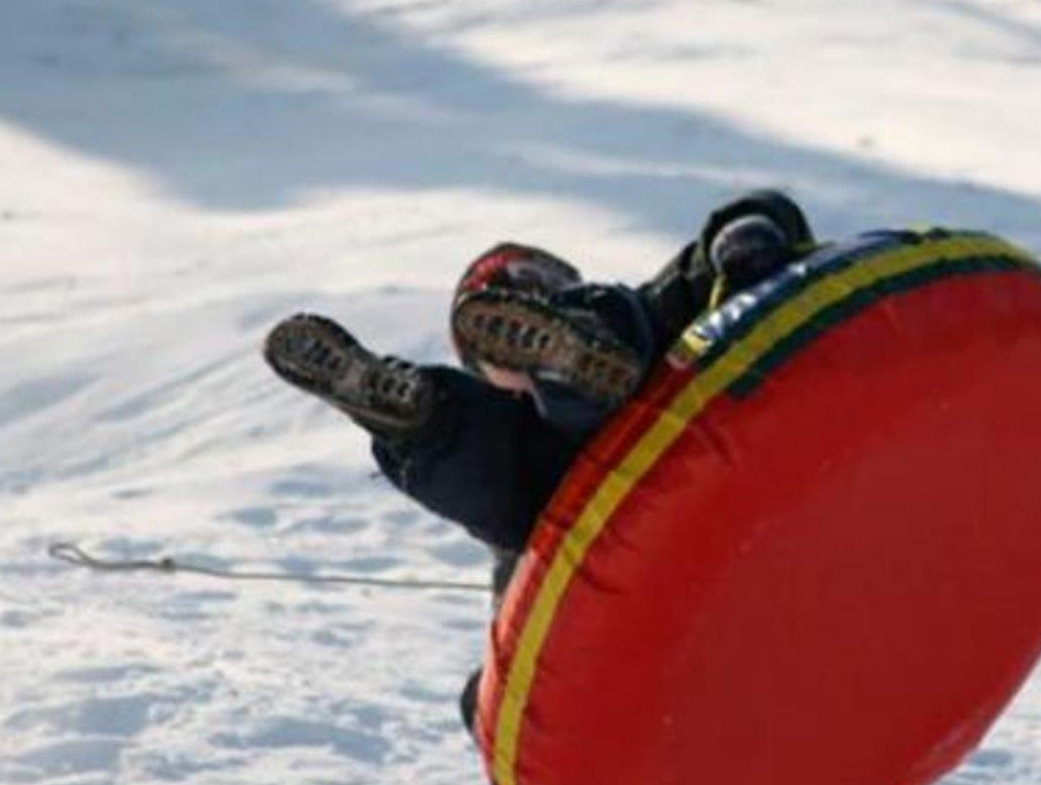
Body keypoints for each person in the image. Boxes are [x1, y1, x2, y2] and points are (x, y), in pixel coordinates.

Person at [262, 191, 814, 603]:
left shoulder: (654, 315)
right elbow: (522, 623)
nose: (511, 344)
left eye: (527, 317)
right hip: (606, 517)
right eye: (499, 342)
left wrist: (746, 241)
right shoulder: (517, 473)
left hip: (692, 412)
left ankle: (440, 425)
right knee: (499, 477)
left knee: (628, 332)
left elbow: (755, 222)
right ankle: (418, 421)